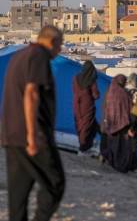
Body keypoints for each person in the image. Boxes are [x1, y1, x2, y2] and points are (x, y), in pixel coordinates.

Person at [1, 25, 65, 221]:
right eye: (60, 45)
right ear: (52, 42)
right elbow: (31, 93)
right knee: (55, 183)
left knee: (18, 192)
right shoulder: (39, 55)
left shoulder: (19, 56)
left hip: (11, 135)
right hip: (32, 135)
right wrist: (32, 136)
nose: (60, 50)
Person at [101, 75, 137, 173]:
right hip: (122, 125)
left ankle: (111, 161)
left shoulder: (109, 92)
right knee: (121, 147)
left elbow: (104, 107)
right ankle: (120, 165)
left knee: (112, 144)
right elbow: (130, 108)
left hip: (110, 123)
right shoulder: (123, 93)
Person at [73, 60, 100, 155]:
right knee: (87, 126)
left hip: (77, 105)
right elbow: (96, 95)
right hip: (87, 106)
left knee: (82, 125)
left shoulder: (76, 78)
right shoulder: (91, 80)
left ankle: (87, 145)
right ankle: (83, 147)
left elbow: (74, 90)